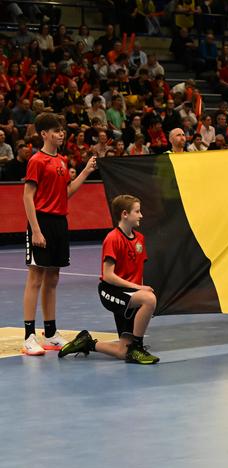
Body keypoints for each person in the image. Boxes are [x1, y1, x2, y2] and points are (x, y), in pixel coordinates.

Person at [21, 113, 98, 355]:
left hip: (60, 223)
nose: (61, 133)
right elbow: (27, 197)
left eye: (61, 130)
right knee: (35, 278)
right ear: (44, 134)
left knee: (53, 279)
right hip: (41, 221)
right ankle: (28, 337)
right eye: (55, 130)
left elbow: (66, 193)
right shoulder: (37, 160)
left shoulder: (63, 160)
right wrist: (35, 229)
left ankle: (51, 333)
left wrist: (86, 171)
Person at [58, 195, 160, 364]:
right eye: (137, 211)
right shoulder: (113, 238)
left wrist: (139, 296)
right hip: (111, 291)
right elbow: (108, 276)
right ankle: (137, 348)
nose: (141, 215)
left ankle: (87, 343)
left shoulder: (140, 239)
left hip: (129, 293)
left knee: (122, 352)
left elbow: (138, 272)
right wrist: (139, 290)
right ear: (125, 214)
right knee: (149, 299)